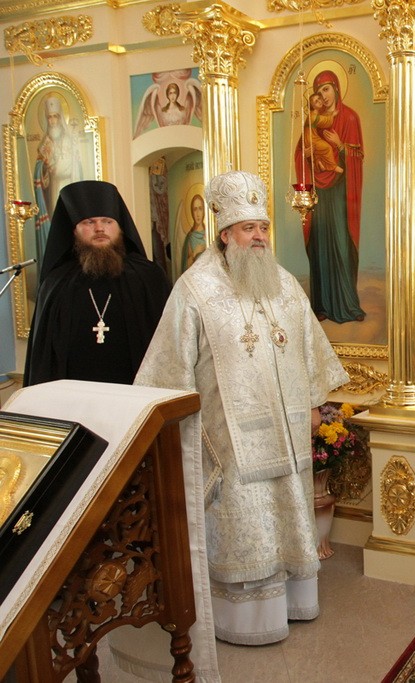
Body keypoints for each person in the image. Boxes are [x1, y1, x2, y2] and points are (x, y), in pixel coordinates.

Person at [134, 170, 349, 645]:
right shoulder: (194, 289)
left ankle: (293, 603)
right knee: (246, 523)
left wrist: (315, 404)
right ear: (225, 233)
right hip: (228, 440)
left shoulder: (284, 284)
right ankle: (245, 621)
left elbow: (309, 349)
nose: (259, 237)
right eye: (248, 228)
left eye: (263, 227)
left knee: (288, 516)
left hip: (288, 433)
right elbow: (167, 369)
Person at [23, 180, 170, 386]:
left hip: (137, 394)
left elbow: (169, 346)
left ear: (120, 227)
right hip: (73, 396)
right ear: (73, 230)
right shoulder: (56, 284)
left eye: (107, 221)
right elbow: (45, 358)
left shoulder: (149, 277)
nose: (100, 228)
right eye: (89, 222)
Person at [294, 69, 365, 323]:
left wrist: (339, 145)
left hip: (340, 193)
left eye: (326, 89)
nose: (322, 95)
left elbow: (357, 157)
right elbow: (301, 151)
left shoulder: (350, 117)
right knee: (320, 244)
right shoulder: (313, 119)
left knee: (341, 243)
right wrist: (306, 155)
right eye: (318, 91)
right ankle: (322, 305)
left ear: (336, 88)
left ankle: (347, 304)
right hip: (319, 193)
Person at [33, 92, 84, 260]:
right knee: (56, 222)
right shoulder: (45, 143)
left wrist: (59, 169)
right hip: (53, 190)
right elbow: (40, 168)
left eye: (55, 117)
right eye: (49, 118)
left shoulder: (69, 140)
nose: (52, 121)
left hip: (67, 185)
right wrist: (45, 168)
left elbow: (74, 166)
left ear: (61, 117)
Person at [302, 92, 345, 175]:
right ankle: (333, 167)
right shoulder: (313, 116)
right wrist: (332, 115)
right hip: (311, 139)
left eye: (319, 99)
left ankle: (320, 164)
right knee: (327, 148)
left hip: (312, 137)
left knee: (318, 152)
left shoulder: (315, 113)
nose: (319, 101)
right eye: (316, 101)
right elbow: (325, 122)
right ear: (312, 106)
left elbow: (323, 117)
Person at [179, 192, 207, 274]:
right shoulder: (190, 238)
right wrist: (194, 253)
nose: (198, 214)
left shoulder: (210, 234)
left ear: (204, 211)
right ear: (192, 212)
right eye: (195, 209)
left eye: (200, 208)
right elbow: (185, 268)